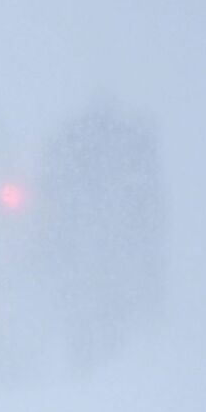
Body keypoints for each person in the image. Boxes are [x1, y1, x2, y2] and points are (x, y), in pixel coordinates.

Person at [37, 94, 165, 370]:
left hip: (85, 233)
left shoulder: (77, 143)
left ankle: (88, 348)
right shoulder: (125, 149)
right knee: (98, 286)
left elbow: (52, 179)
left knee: (86, 288)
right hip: (101, 234)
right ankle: (98, 346)